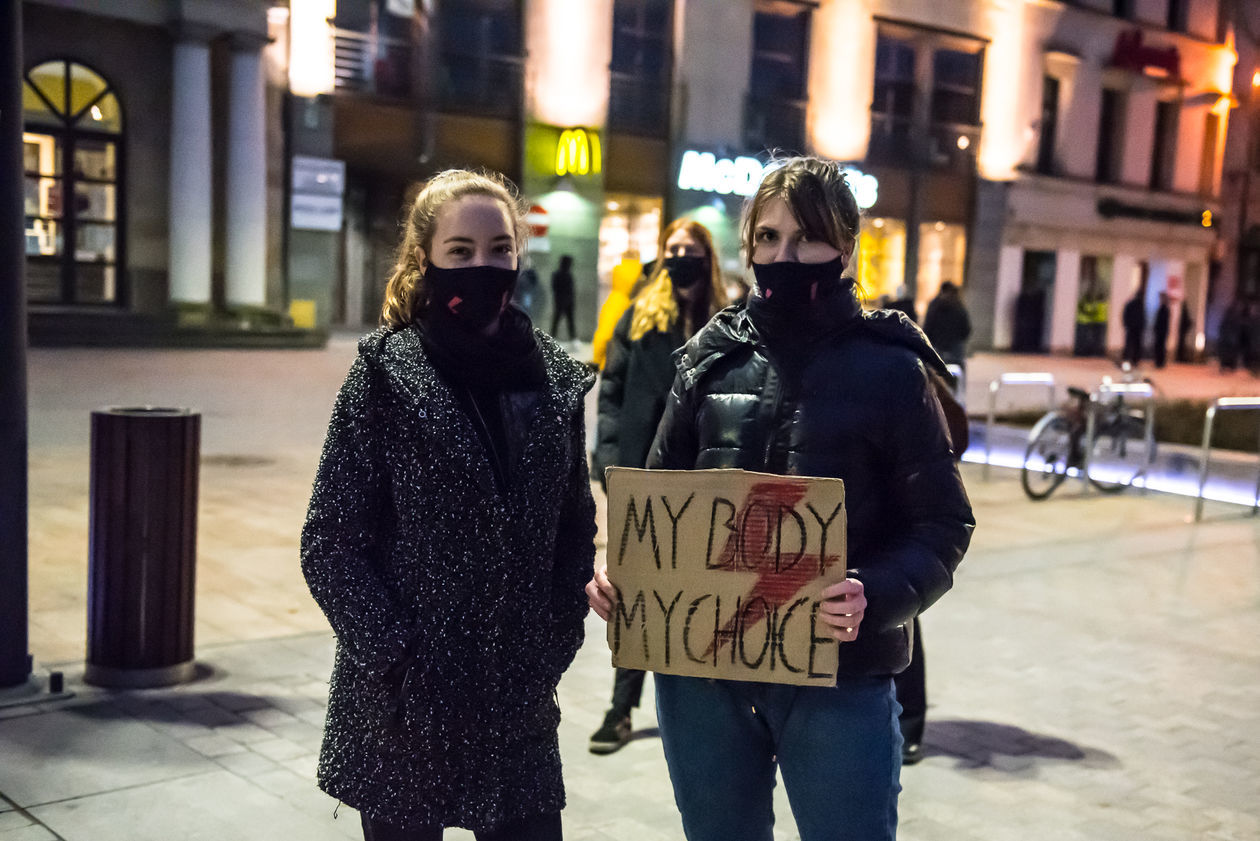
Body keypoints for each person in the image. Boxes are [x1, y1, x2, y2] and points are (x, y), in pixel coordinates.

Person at [586, 156, 974, 841]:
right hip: (703, 677)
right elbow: (657, 502)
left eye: (805, 239)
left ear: (846, 248)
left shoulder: (892, 369)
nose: (783, 255)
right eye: (767, 238)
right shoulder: (709, 358)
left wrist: (873, 593)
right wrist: (626, 574)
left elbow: (943, 524)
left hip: (840, 674)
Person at [301, 169, 597, 841]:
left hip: (513, 701)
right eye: (460, 251)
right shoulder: (386, 375)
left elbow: (573, 527)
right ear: (426, 258)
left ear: (519, 253)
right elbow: (328, 541)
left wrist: (553, 640)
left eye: (499, 248)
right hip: (406, 708)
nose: (482, 266)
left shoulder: (553, 379)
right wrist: (398, 657)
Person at [588, 219, 728, 755]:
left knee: (707, 590)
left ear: (707, 256)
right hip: (642, 473)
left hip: (705, 477)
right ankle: (621, 708)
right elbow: (613, 391)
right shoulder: (641, 315)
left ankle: (705, 707)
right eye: (671, 249)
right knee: (636, 590)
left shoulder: (727, 320)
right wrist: (606, 456)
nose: (678, 257)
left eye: (689, 250)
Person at [591, 250, 642, 370]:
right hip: (636, 303)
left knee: (605, 332)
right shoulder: (641, 271)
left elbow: (603, 336)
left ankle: (601, 361)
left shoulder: (617, 269)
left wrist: (597, 360)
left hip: (615, 301)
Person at [922, 281, 972, 371]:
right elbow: (966, 329)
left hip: (937, 347)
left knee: (935, 373)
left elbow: (928, 326)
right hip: (955, 348)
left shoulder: (934, 305)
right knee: (958, 373)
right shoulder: (959, 306)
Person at [551, 254, 577, 340]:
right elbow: (555, 288)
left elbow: (571, 290)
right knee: (557, 321)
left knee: (569, 321)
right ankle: (551, 338)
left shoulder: (568, 275)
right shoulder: (558, 275)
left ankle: (573, 339)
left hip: (567, 302)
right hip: (561, 302)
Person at [1122, 291, 1146, 366]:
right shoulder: (1132, 304)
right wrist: (1127, 324)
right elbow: (1126, 315)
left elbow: (1142, 317)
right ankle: (1127, 359)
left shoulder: (1140, 305)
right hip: (1132, 328)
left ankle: (1134, 360)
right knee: (1130, 344)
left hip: (1136, 328)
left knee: (1135, 345)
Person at [1152, 291, 1171, 369]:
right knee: (1159, 347)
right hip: (1160, 331)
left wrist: (1159, 329)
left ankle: (1160, 362)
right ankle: (1158, 362)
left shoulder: (1164, 309)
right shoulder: (1163, 308)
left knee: (1160, 347)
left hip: (1161, 332)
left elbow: (1163, 322)